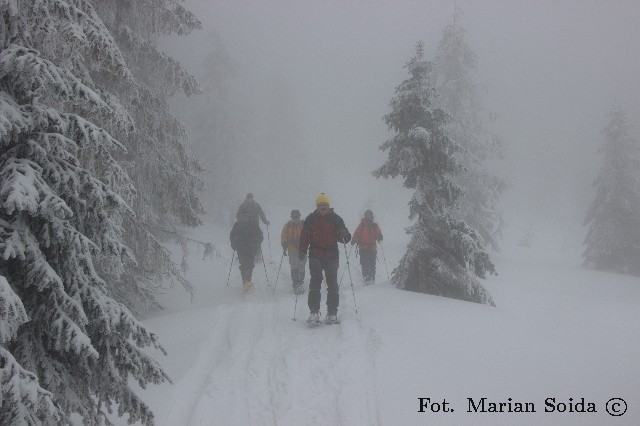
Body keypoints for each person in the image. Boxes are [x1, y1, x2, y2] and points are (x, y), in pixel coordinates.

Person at [299, 193, 351, 325]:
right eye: (320, 205)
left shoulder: (336, 219)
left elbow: (345, 238)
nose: (322, 207)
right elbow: (304, 236)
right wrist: (302, 250)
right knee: (315, 284)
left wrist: (345, 235)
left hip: (331, 255)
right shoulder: (310, 219)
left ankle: (332, 313)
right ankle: (314, 312)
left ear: (328, 206)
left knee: (332, 284)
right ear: (317, 206)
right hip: (315, 254)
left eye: (325, 205)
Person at [230, 212, 264, 293]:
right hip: (241, 248)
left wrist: (258, 241)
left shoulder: (253, 224)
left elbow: (260, 234)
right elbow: (232, 235)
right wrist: (234, 244)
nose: (245, 217)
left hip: (251, 248)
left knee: (250, 264)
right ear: (241, 216)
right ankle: (245, 281)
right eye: (243, 215)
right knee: (243, 264)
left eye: (246, 215)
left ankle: (248, 280)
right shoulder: (237, 224)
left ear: (249, 216)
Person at [351, 209, 383, 285]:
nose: (369, 218)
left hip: (372, 248)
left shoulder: (375, 226)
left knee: (372, 263)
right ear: (365, 217)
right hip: (363, 247)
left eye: (370, 216)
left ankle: (372, 278)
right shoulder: (362, 225)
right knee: (364, 263)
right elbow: (357, 233)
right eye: (367, 216)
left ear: (372, 217)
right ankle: (366, 277)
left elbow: (379, 234)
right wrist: (354, 240)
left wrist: (380, 237)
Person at [281, 209, 306, 294]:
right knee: (294, 266)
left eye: (298, 217)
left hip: (303, 249)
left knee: (302, 266)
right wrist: (284, 243)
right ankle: (295, 284)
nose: (296, 219)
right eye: (294, 217)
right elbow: (283, 235)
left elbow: (308, 234)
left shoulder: (303, 224)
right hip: (292, 249)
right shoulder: (288, 225)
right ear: (291, 217)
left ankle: (301, 282)